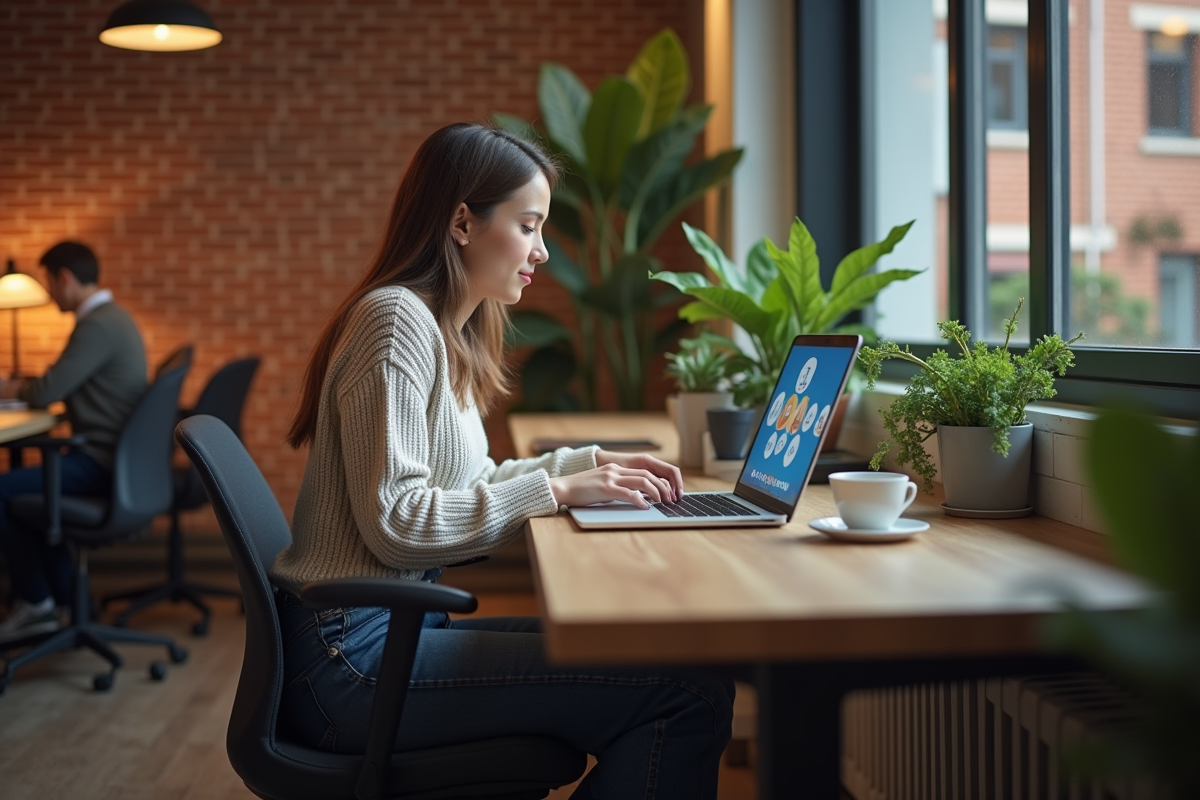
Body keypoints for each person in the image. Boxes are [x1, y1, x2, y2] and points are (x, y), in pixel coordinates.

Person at [275, 123, 734, 797]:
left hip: (379, 638)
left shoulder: (440, 328)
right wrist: (558, 492)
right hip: (351, 663)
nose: (542, 251)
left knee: (666, 667)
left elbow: (475, 483)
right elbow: (398, 522)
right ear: (462, 220)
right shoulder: (396, 320)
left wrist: (585, 465)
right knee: (684, 692)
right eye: (529, 225)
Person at [0, 242, 147, 643]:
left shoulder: (97, 324)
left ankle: (35, 603)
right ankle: (62, 600)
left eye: (49, 283)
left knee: (5, 492)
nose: (49, 294)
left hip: (99, 461)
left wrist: (17, 386)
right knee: (30, 500)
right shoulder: (115, 318)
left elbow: (47, 391)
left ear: (64, 277)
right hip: (119, 462)